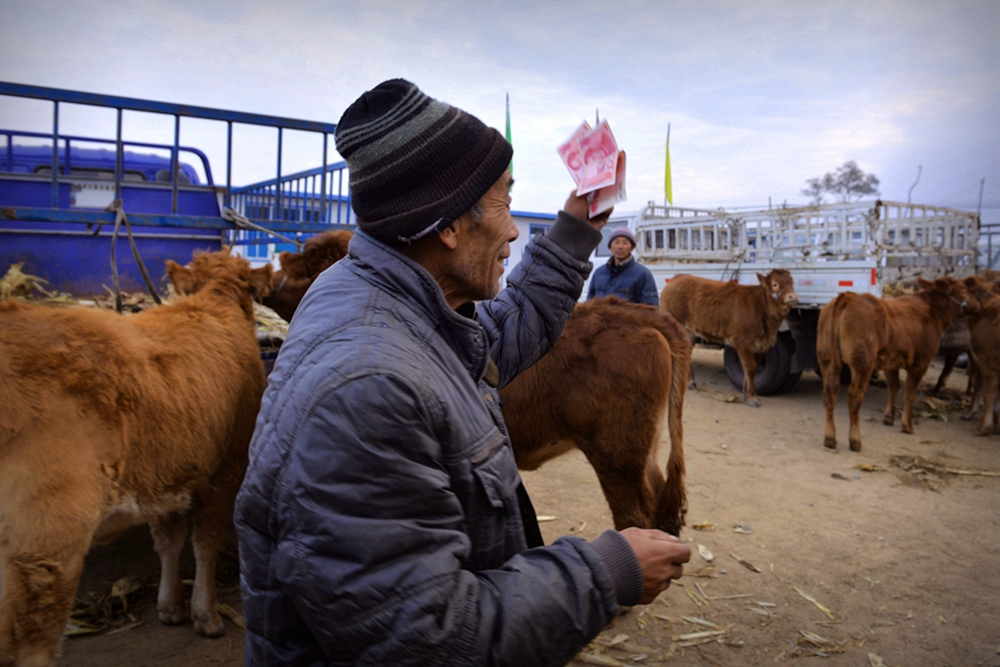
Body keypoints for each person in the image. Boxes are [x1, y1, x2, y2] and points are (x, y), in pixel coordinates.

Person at [234, 79, 690, 667]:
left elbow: (493, 334)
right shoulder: (368, 390)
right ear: (448, 227)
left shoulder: (374, 295)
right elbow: (431, 638)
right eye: (502, 203)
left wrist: (578, 227)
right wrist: (605, 572)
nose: (513, 230)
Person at [586, 226, 660, 305]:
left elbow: (651, 309)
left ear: (632, 247)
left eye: (625, 243)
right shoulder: (599, 273)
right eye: (616, 242)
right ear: (610, 247)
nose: (620, 247)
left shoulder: (643, 274)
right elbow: (589, 305)